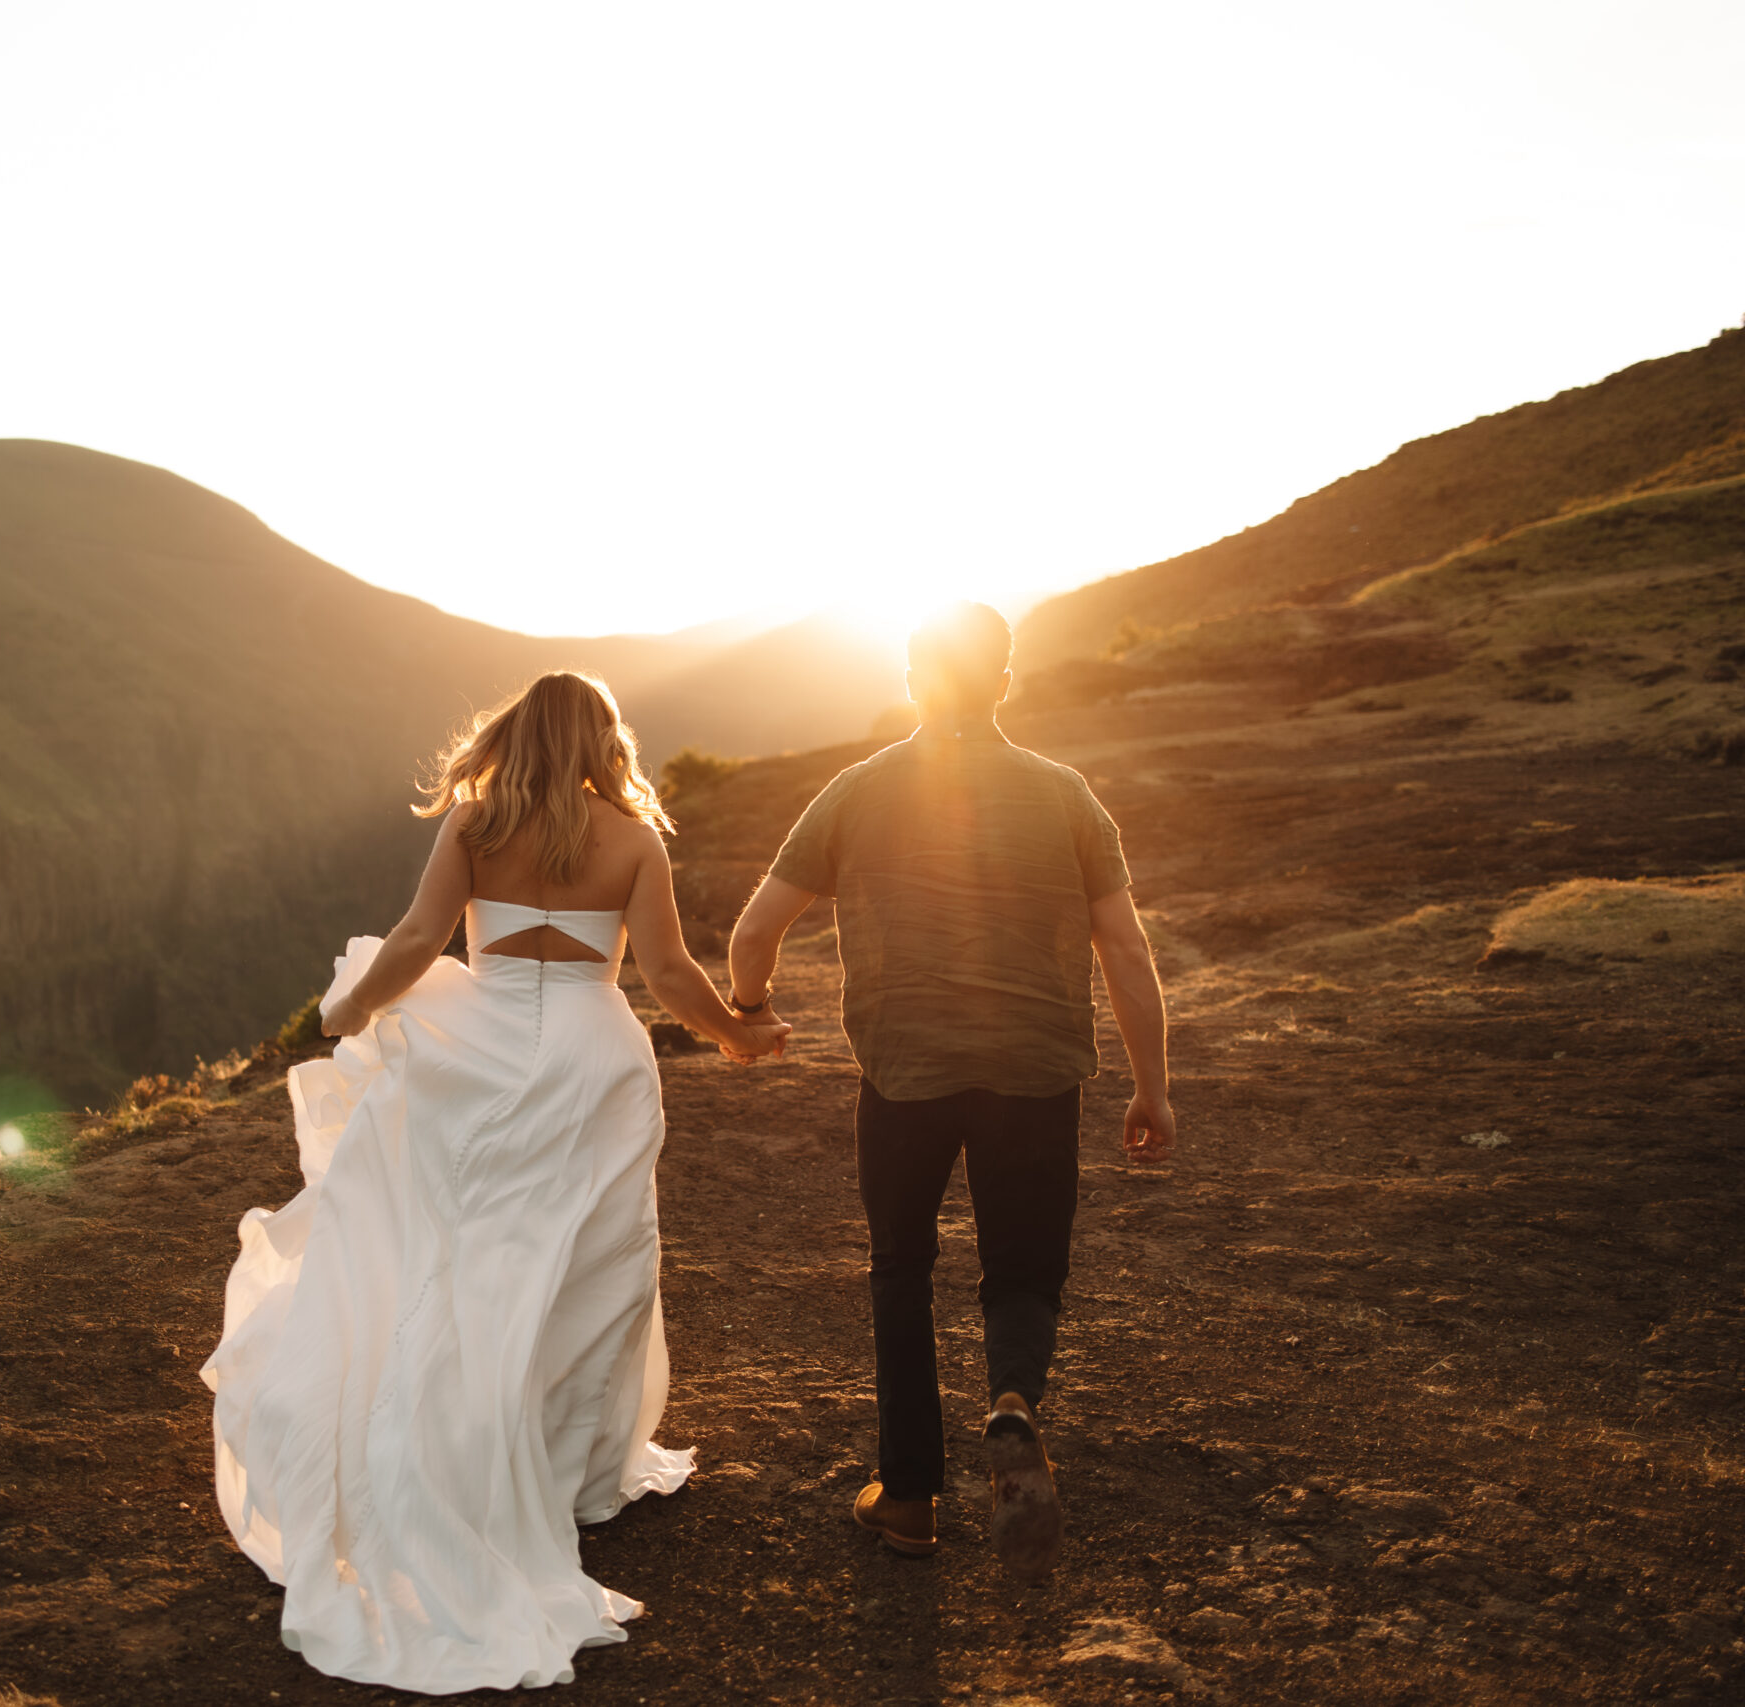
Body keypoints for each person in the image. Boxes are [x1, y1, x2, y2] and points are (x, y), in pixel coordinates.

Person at [200, 671, 790, 1693]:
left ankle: (463, 1442)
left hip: (483, 1053)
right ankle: (570, 1472)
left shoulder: (476, 825)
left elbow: (422, 940)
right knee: (596, 1262)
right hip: (594, 1058)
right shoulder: (632, 839)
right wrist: (732, 1033)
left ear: (514, 735)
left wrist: (341, 1014)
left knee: (465, 1249)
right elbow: (666, 972)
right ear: (604, 743)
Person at [723, 602, 1173, 1580]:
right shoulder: (1065, 795)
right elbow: (1128, 949)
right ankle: (1012, 1403)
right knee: (1020, 1271)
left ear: (915, 681)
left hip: (904, 1077)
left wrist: (751, 1014)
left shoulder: (853, 790)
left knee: (900, 1265)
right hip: (1036, 1073)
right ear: (1004, 683)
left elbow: (755, 934)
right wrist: (1152, 1088)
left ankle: (911, 1498)